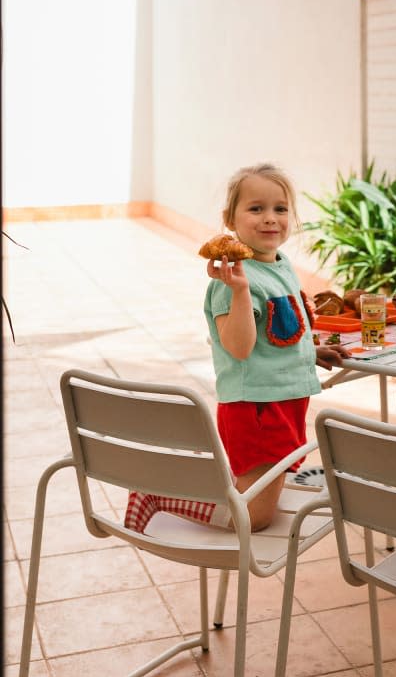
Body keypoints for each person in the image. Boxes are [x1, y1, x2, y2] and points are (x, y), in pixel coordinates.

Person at [125, 163, 347, 534]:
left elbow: (276, 332)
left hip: (286, 401)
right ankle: (158, 494)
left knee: (262, 495)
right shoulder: (232, 281)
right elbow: (240, 347)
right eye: (255, 208)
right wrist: (241, 290)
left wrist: (308, 352)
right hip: (255, 407)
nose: (270, 219)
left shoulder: (281, 265)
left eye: (280, 209)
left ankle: (204, 482)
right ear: (230, 218)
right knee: (256, 516)